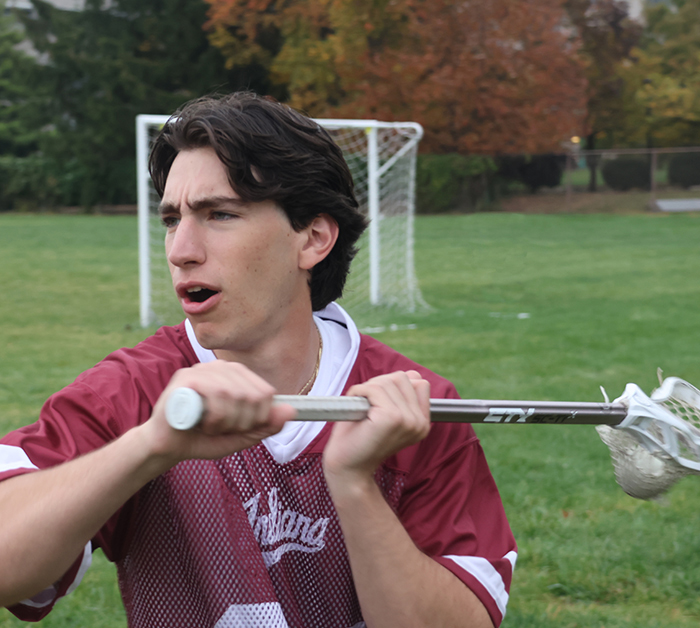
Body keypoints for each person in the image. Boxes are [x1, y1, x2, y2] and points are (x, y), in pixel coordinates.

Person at [0, 92, 516, 628]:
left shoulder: (410, 407)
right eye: (172, 219)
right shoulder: (134, 391)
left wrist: (355, 482)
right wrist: (150, 445)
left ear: (313, 238)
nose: (181, 249)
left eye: (220, 214)